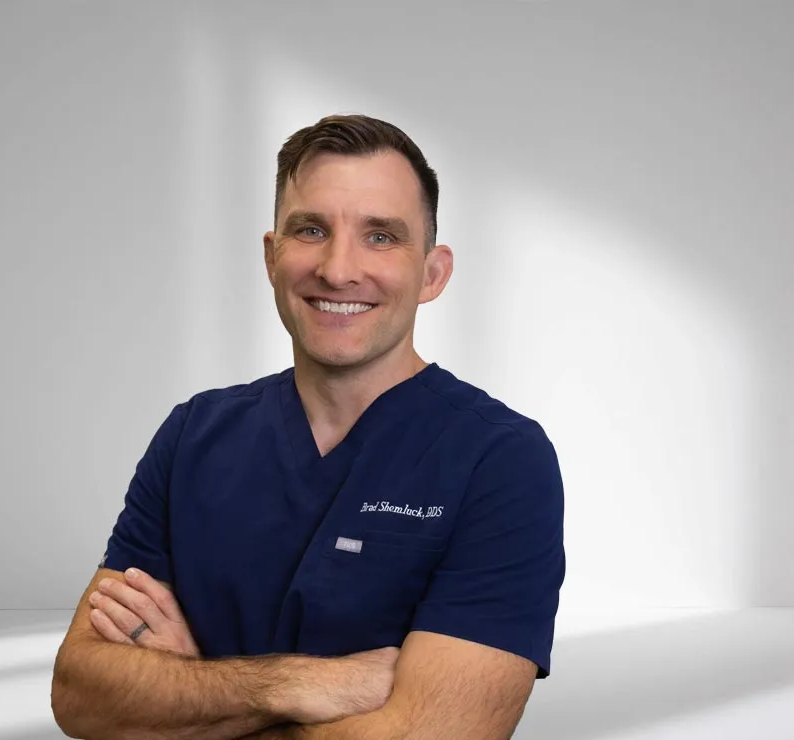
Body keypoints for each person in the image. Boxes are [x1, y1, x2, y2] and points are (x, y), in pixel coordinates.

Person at [51, 113, 566, 740]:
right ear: (272, 256)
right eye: (311, 230)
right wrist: (296, 685)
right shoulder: (193, 435)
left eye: (381, 236)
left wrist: (190, 693)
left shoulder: (500, 460)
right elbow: (80, 695)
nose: (338, 269)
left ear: (432, 274)